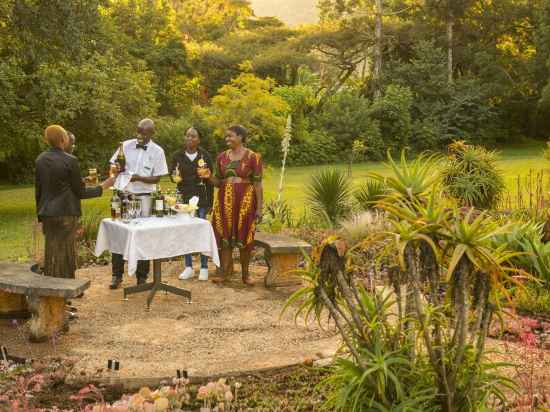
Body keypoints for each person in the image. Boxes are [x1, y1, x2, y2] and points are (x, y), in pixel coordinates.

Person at [35, 125, 115, 279]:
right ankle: (66, 291)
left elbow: (39, 191)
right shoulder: (70, 160)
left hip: (47, 214)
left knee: (51, 253)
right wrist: (104, 186)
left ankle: (53, 290)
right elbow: (80, 193)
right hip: (66, 214)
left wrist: (40, 216)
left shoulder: (40, 160)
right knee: (66, 254)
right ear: (63, 139)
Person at [108, 118, 169, 289]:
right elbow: (113, 164)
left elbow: (157, 177)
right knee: (119, 234)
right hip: (124, 194)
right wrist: (116, 168)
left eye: (143, 132)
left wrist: (138, 178)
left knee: (143, 235)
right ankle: (116, 275)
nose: (139, 135)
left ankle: (142, 276)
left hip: (145, 197)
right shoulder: (125, 145)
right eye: (138, 131)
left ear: (151, 133)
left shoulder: (158, 151)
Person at [205, 125, 263, 285]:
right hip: (225, 201)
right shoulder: (222, 157)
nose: (227, 139)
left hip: (245, 201)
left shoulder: (253, 157)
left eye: (230, 136)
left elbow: (258, 184)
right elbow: (217, 182)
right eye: (226, 136)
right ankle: (225, 273)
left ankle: (246, 275)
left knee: (245, 236)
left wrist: (259, 207)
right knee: (225, 236)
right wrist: (209, 176)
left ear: (240, 137)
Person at [170, 127, 214, 281]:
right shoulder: (177, 156)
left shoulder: (205, 156)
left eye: (193, 136)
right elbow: (172, 176)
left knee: (201, 233)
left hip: (201, 200)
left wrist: (210, 203)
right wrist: (175, 176)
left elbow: (210, 181)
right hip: (184, 200)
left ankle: (203, 267)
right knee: (185, 233)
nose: (189, 138)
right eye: (187, 135)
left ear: (199, 139)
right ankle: (188, 267)